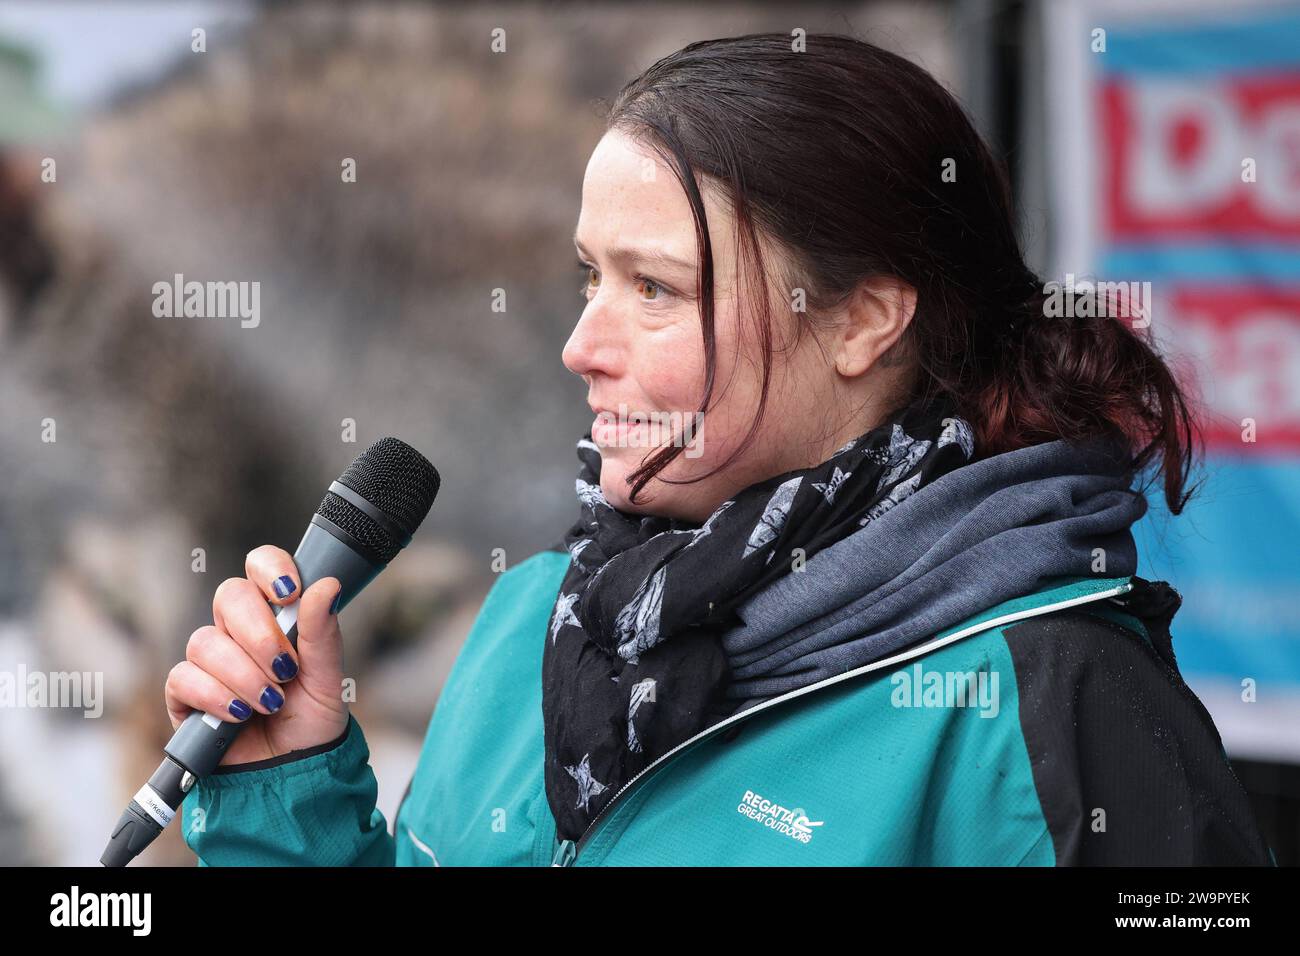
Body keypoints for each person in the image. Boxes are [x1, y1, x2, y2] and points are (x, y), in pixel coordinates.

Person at [172, 33, 1273, 866]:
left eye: (655, 288)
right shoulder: (537, 613)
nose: (578, 345)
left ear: (863, 319)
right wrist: (294, 792)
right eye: (587, 276)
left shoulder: (1052, 699)